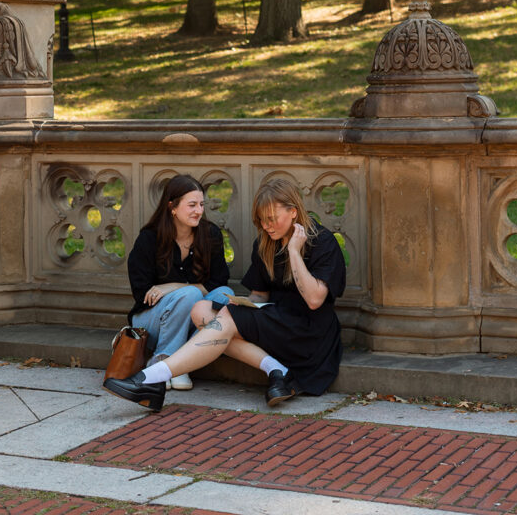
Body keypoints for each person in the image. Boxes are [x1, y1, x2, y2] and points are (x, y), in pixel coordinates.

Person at [104, 176, 346, 411]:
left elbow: (315, 301)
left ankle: (149, 379)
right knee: (203, 312)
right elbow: (260, 297)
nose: (266, 226)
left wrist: (294, 251)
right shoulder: (266, 243)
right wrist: (242, 306)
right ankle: (279, 371)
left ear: (293, 212)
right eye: (261, 220)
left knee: (223, 315)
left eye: (271, 219)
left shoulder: (322, 242)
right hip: (277, 321)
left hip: (311, 332)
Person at [123, 174, 233, 391]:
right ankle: (167, 362)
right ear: (172, 207)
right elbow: (143, 294)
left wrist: (174, 287)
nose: (199, 211)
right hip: (151, 320)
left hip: (189, 318)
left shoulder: (210, 234)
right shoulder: (149, 238)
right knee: (191, 295)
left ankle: (176, 362)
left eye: (201, 204)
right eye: (192, 205)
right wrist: (182, 294)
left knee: (224, 294)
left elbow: (218, 281)